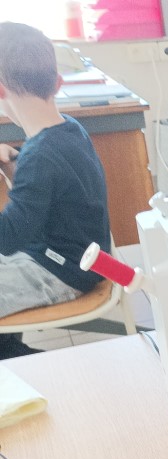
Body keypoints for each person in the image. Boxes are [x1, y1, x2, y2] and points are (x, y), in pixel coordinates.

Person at [0, 23, 110, 355]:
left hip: (60, 270)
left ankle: (35, 370)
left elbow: (9, 238)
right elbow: (50, 187)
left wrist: (21, 164)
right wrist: (13, 160)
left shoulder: (40, 157)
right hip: (75, 259)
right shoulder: (69, 130)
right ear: (58, 83)